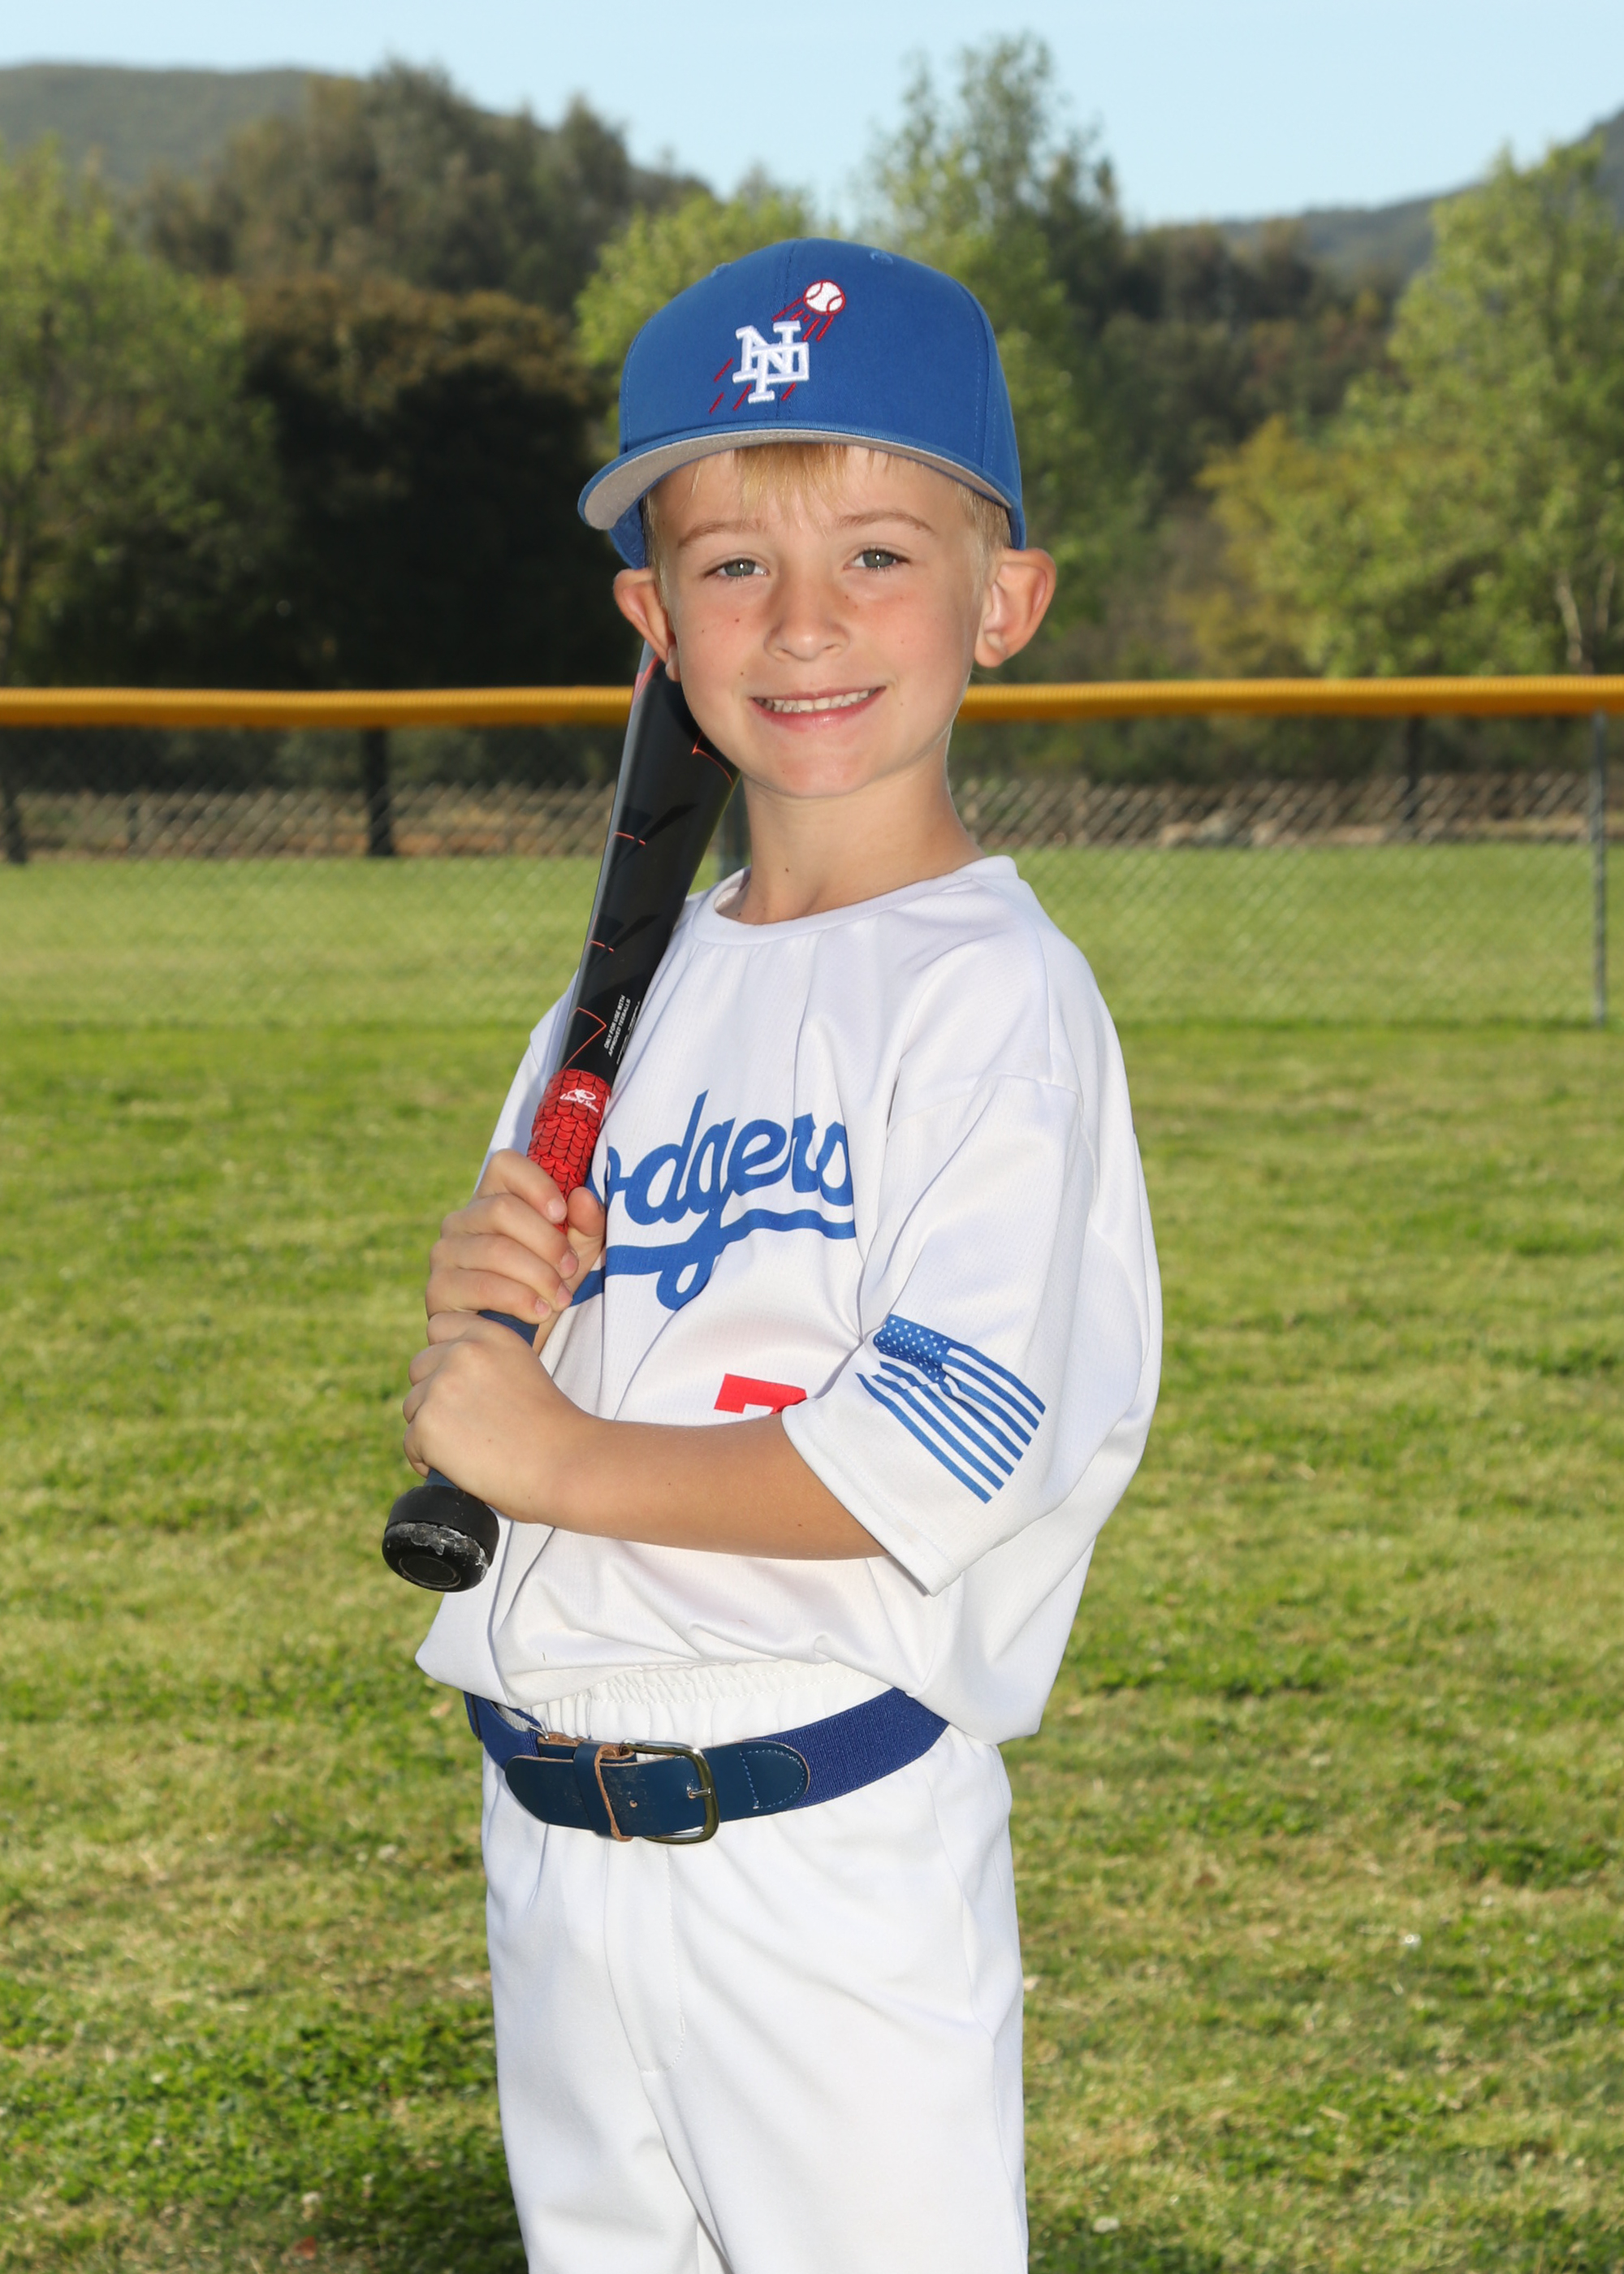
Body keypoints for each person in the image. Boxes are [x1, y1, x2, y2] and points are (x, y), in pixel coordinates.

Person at [404, 239, 1161, 2274]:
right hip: (555, 1842)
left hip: (817, 1858)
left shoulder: (993, 997)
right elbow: (510, 1390)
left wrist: (555, 1453)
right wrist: (487, 1311)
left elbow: (930, 1450)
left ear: (1005, 601)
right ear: (653, 623)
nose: (804, 620)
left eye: (879, 556)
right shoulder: (616, 1003)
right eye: (733, 563)